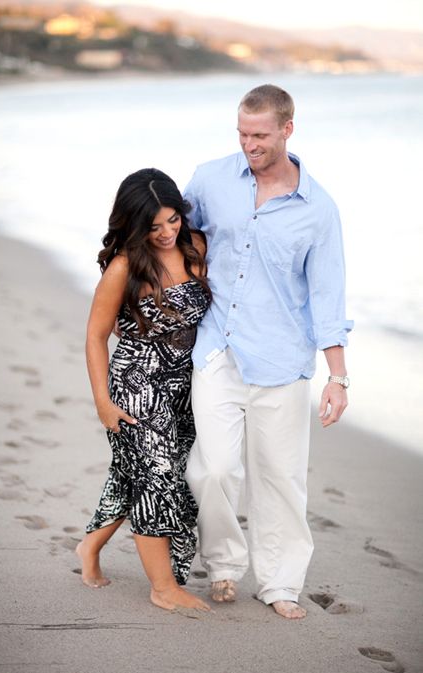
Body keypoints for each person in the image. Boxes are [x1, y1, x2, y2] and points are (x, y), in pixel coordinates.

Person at [183, 84, 352, 619]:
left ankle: (280, 583)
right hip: (217, 350)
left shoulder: (318, 210)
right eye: (241, 133)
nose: (249, 144)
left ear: (287, 129)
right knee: (212, 470)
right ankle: (224, 565)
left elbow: (328, 295)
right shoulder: (211, 179)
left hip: (281, 361)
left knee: (280, 479)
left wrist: (338, 377)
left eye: (259, 135)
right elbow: (173, 239)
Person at [76, 168, 212, 611]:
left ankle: (89, 548)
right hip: (136, 381)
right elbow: (96, 335)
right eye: (154, 227)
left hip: (184, 383)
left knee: (131, 474)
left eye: (173, 220)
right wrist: (103, 402)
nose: (167, 232)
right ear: (135, 227)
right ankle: (163, 588)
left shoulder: (197, 247)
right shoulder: (124, 267)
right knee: (156, 476)